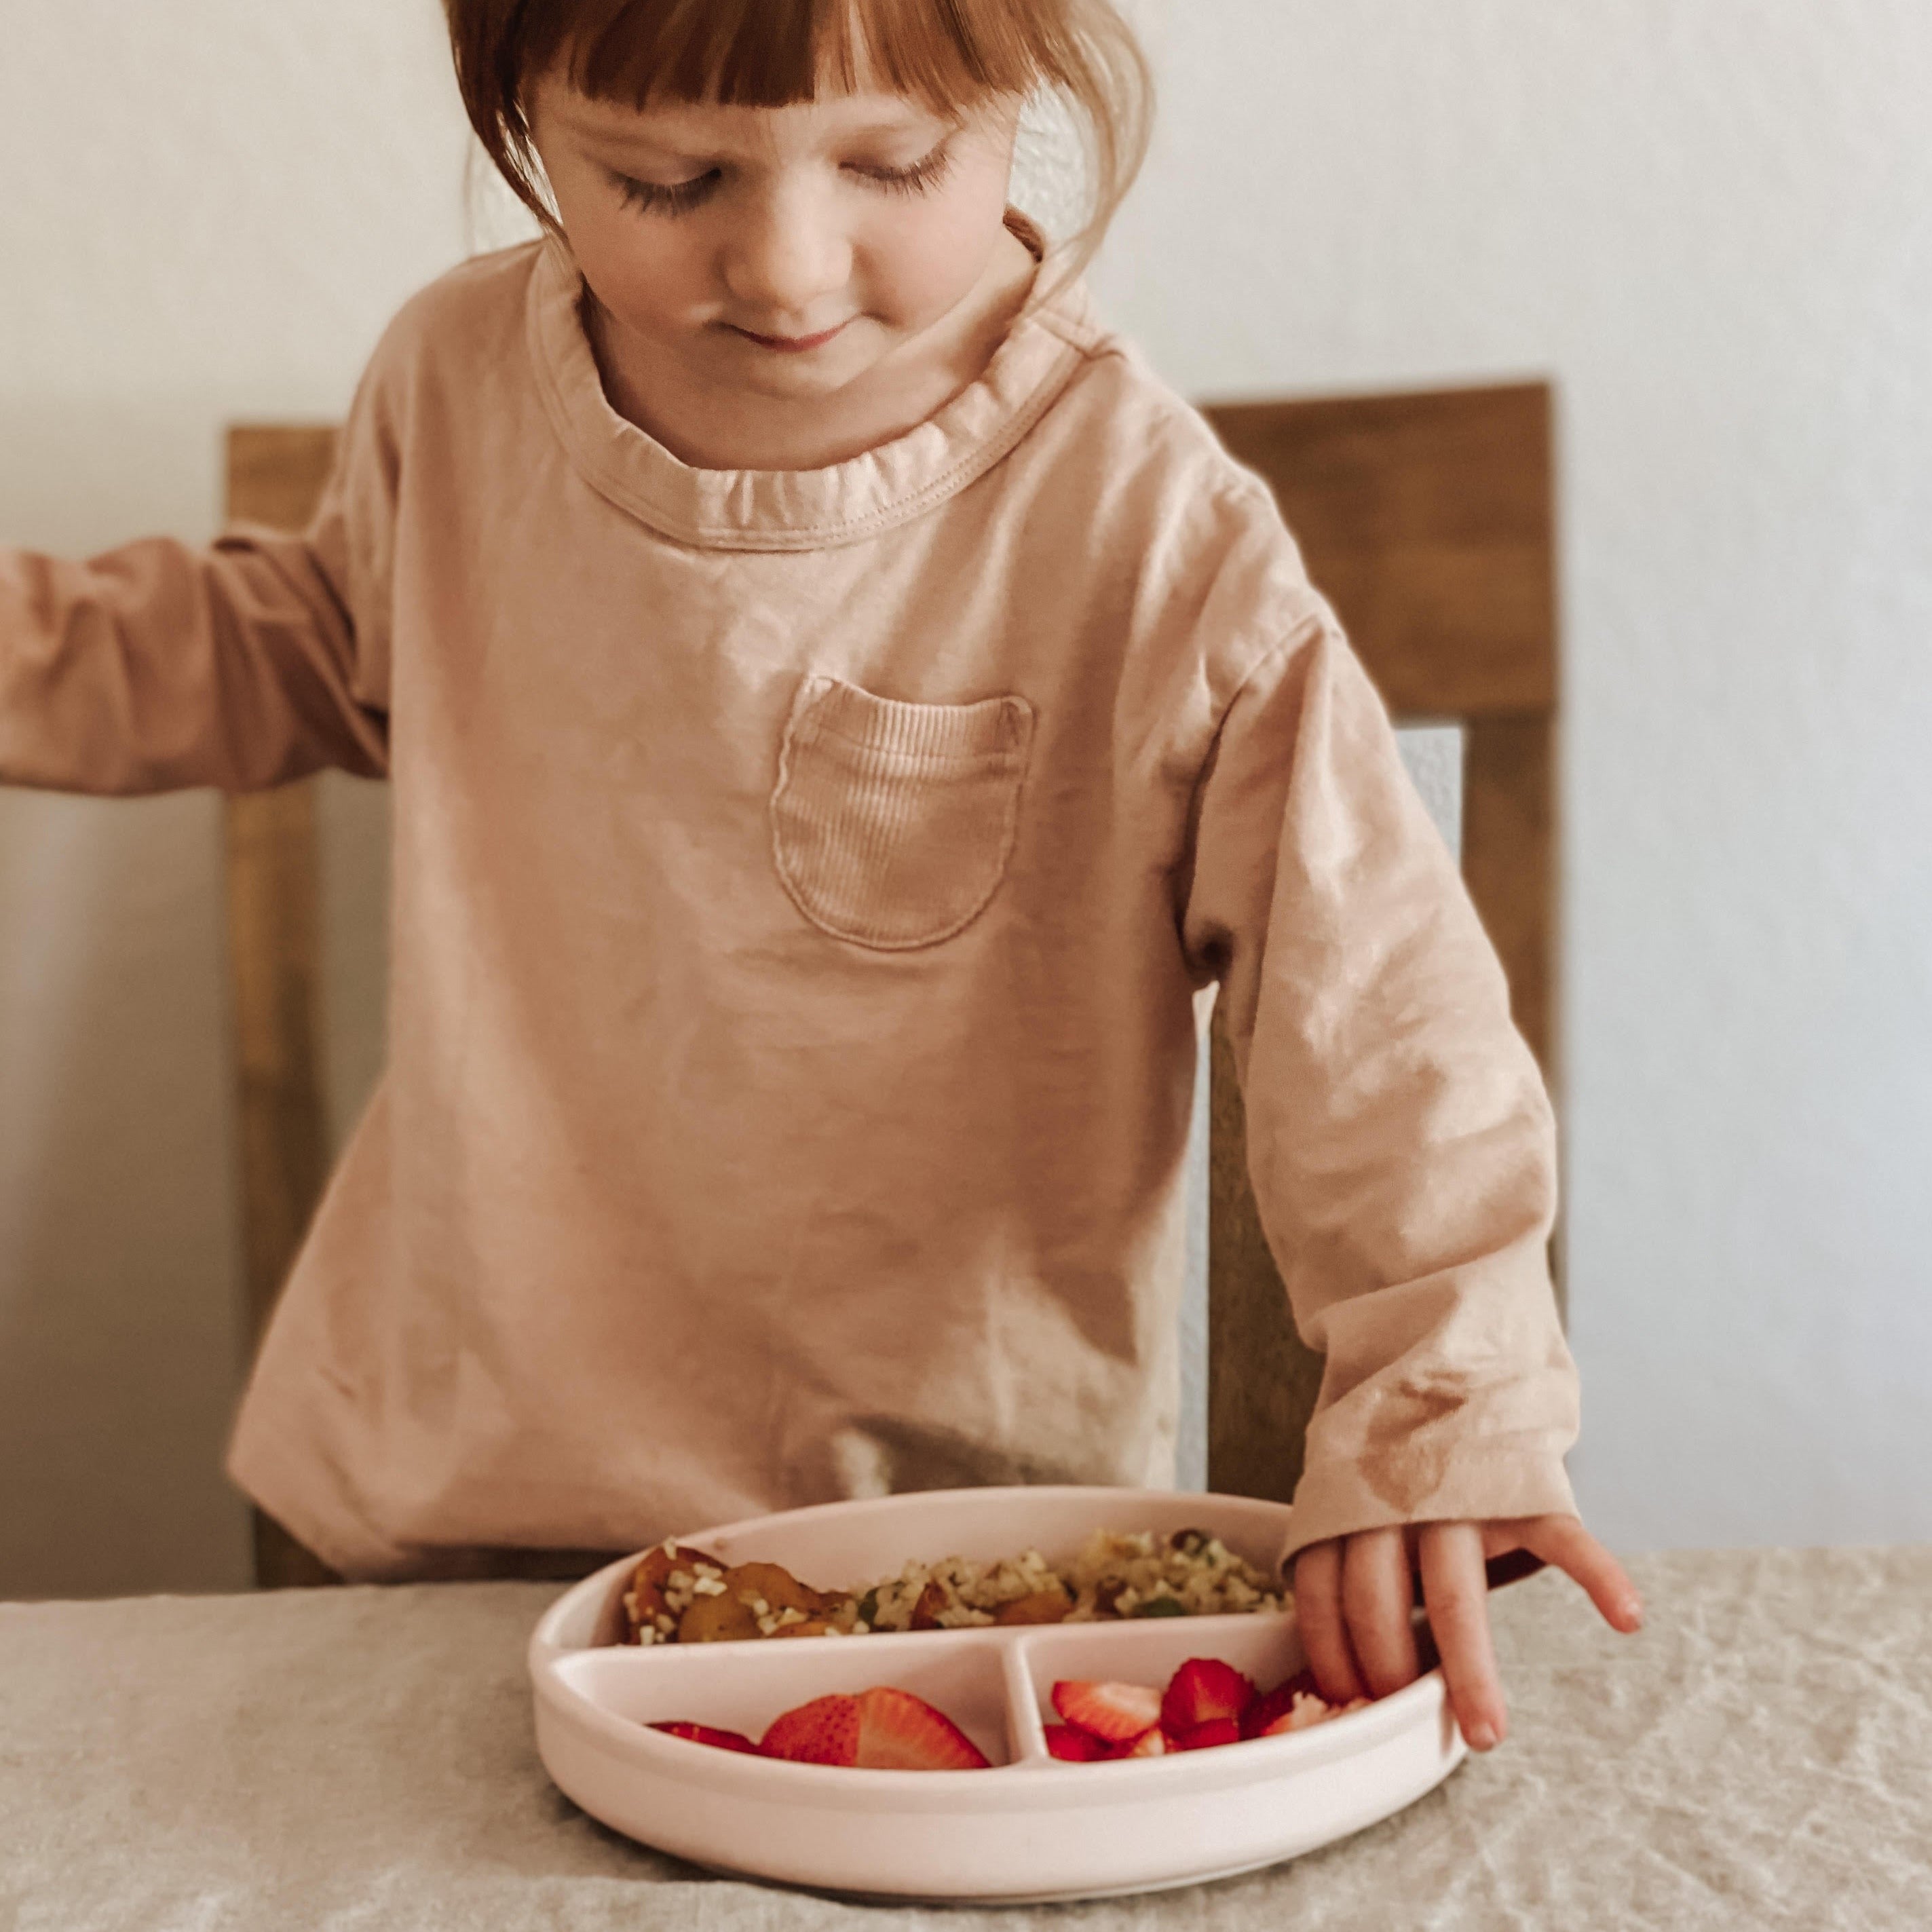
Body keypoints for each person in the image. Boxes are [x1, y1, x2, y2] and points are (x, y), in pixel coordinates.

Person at [0, 0, 1640, 1751]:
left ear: (1029, 99)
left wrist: (1437, 1402)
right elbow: (327, 641)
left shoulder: (1140, 518)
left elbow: (1377, 998)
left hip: (938, 1560)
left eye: (894, 162)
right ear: (523, 119)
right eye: (666, 176)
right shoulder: (455, 376)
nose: (784, 268)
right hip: (438, 1493)